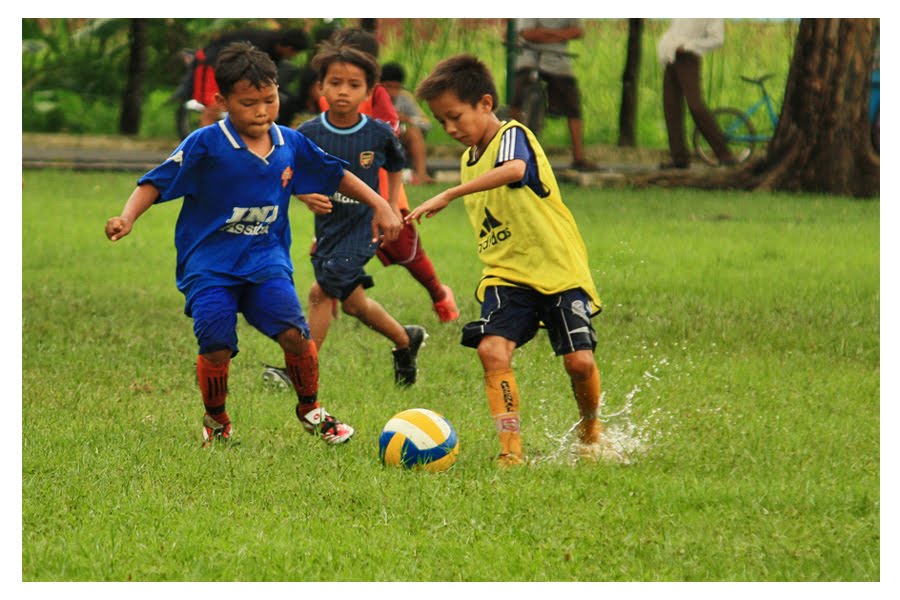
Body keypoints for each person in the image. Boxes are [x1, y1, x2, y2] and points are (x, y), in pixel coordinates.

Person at [105, 42, 402, 446]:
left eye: (270, 99)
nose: (261, 111)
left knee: (296, 335)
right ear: (221, 100)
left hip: (266, 262)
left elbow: (335, 174)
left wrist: (382, 204)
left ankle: (311, 409)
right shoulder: (206, 144)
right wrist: (127, 216)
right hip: (209, 266)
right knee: (216, 344)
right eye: (248, 103)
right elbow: (155, 183)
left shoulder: (290, 142)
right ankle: (216, 420)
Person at [411, 54, 605, 466]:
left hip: (558, 269)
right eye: (442, 122)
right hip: (506, 273)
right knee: (492, 351)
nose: (449, 129)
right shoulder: (468, 160)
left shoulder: (513, 135)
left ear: (485, 103)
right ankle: (510, 453)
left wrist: (448, 193)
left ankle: (591, 432)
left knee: (579, 362)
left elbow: (515, 169)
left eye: (455, 117)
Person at [296, 41, 427, 386]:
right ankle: (404, 340)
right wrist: (305, 195)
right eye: (335, 83)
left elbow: (397, 166)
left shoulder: (378, 133)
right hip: (328, 227)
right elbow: (288, 174)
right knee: (354, 305)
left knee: (321, 291)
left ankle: (303, 371)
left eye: (354, 85)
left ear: (369, 91)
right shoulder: (307, 133)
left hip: (366, 226)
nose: (343, 92)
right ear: (320, 86)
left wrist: (391, 205)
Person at [509, 18, 595, 171]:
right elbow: (527, 33)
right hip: (529, 58)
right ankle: (514, 152)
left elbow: (577, 31)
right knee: (516, 100)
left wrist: (545, 33)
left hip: (558, 60)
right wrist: (560, 35)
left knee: (572, 104)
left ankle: (578, 157)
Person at [657, 19, 737, 169]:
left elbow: (717, 40)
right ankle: (679, 158)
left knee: (696, 105)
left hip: (688, 57)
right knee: (671, 107)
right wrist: (666, 46)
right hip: (671, 56)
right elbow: (675, 30)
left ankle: (725, 154)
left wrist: (688, 46)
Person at [192, 28, 310, 128]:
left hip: (231, 68)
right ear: (289, 48)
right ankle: (205, 149)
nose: (293, 56)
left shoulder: (275, 53)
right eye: (295, 53)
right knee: (212, 107)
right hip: (211, 61)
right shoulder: (261, 44)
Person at [380, 61, 436, 184]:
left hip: (399, 139)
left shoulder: (405, 97)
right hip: (378, 139)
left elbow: (426, 124)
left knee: (414, 132)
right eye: (388, 86)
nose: (392, 92)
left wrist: (407, 119)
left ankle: (422, 175)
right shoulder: (372, 96)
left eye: (396, 87)